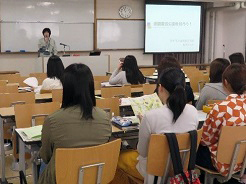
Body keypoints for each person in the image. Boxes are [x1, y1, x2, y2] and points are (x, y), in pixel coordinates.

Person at [117, 68, 199, 183]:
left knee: (118, 158)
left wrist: (144, 124)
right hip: (181, 171)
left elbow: (142, 152)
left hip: (153, 174)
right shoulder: (193, 111)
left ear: (160, 88)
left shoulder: (150, 116)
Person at [38, 63, 112, 184]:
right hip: (95, 176)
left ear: (66, 88)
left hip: (62, 178)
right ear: (90, 86)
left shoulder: (52, 120)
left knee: (43, 164)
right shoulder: (104, 117)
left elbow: (46, 156)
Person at [196, 64, 246, 181]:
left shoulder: (220, 108)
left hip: (222, 163)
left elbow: (205, 140)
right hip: (243, 160)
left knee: (193, 148)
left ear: (225, 82)